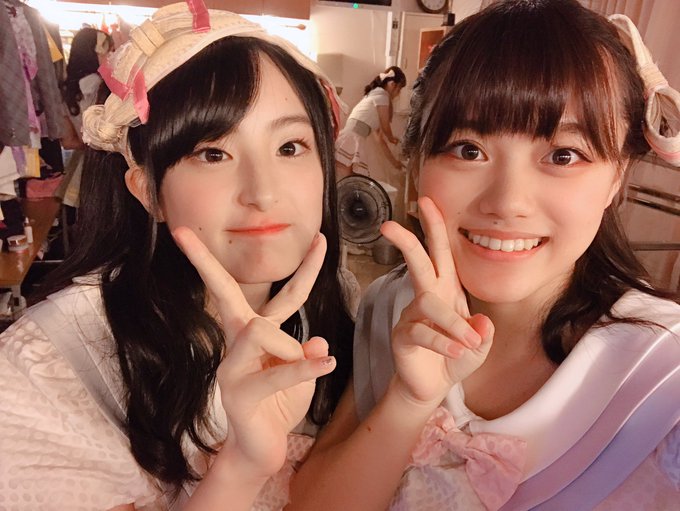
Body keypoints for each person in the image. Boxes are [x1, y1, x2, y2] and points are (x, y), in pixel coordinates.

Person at [290, 1, 680, 509]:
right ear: (417, 163)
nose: (507, 203)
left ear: (617, 177)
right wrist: (407, 401)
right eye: (468, 149)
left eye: (563, 155)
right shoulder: (392, 304)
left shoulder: (664, 374)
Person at [0, 2, 356, 510]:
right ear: (148, 191)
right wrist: (241, 468)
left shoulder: (339, 303)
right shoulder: (51, 368)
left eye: (290, 147)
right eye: (213, 154)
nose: (264, 193)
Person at [58, 27, 113, 207]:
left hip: (80, 167)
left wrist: (88, 142)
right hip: (106, 165)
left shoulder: (65, 90)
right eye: (109, 51)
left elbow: (67, 142)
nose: (112, 56)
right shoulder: (102, 87)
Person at [334, 65, 406, 182]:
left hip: (351, 137)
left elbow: (380, 140)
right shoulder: (382, 96)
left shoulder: (374, 95)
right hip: (352, 138)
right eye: (399, 89)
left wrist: (394, 162)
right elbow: (385, 126)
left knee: (347, 179)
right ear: (392, 84)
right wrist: (392, 138)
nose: (398, 94)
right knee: (346, 181)